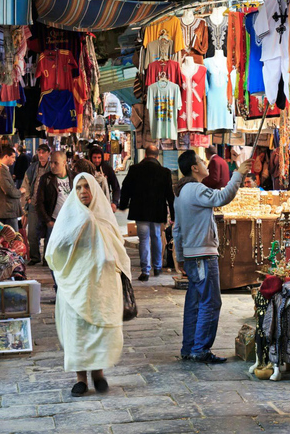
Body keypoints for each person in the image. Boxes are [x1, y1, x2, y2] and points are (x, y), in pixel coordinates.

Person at [45, 172, 131, 397]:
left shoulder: (104, 217)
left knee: (98, 331)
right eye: (79, 187)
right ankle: (80, 379)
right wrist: (79, 229)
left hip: (101, 286)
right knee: (77, 332)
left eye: (87, 187)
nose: (83, 191)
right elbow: (55, 248)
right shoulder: (69, 216)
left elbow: (117, 248)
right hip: (75, 285)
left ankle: (98, 374)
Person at [174, 150, 252, 363]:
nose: (205, 162)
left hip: (192, 255)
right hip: (202, 255)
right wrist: (238, 174)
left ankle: (189, 347)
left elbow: (177, 229)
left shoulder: (181, 193)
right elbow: (222, 197)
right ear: (194, 168)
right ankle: (200, 349)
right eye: (201, 160)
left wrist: (180, 256)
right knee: (210, 302)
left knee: (195, 302)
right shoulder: (196, 189)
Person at [119, 145, 175, 281]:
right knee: (156, 235)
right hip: (157, 210)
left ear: (145, 155)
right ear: (157, 156)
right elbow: (170, 195)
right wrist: (173, 214)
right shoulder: (165, 172)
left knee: (143, 239)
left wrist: (123, 204)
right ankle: (157, 267)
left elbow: (126, 188)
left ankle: (145, 270)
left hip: (140, 210)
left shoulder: (135, 170)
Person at [37, 151, 74, 264]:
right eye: (51, 162)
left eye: (55, 163)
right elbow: (39, 202)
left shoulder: (74, 177)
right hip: (54, 220)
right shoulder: (46, 179)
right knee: (51, 253)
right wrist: (47, 220)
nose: (52, 166)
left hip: (71, 220)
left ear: (64, 163)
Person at [21, 144, 51, 265]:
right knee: (32, 233)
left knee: (49, 233)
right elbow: (26, 183)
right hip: (34, 204)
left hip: (48, 206)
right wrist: (28, 197)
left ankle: (47, 259)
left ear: (48, 153)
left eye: (44, 153)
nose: (41, 155)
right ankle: (35, 257)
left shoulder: (52, 168)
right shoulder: (33, 168)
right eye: (39, 153)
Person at [0, 146, 23, 231]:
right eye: (13, 157)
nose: (14, 160)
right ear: (6, 156)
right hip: (6, 212)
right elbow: (8, 190)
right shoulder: (1, 170)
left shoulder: (4, 169)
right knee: (13, 238)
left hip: (6, 211)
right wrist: (20, 192)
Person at [89, 146, 121, 212]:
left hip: (105, 204)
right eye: (94, 158)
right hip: (90, 206)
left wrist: (114, 203)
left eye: (99, 158)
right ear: (91, 158)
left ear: (102, 158)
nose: (97, 160)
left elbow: (116, 187)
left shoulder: (108, 169)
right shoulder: (87, 170)